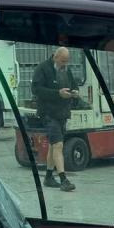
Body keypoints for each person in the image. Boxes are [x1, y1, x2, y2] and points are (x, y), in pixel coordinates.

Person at [31, 47, 78, 192]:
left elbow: (73, 85)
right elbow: (36, 89)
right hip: (48, 113)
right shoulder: (42, 68)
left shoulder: (66, 69)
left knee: (53, 146)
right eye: (63, 61)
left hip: (62, 113)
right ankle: (64, 179)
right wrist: (58, 93)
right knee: (58, 145)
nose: (65, 64)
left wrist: (75, 92)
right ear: (55, 57)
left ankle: (48, 177)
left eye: (67, 61)